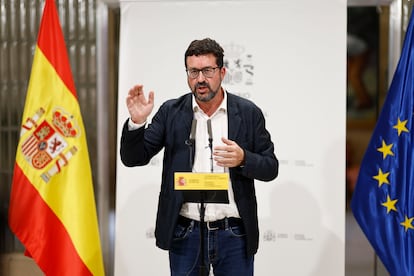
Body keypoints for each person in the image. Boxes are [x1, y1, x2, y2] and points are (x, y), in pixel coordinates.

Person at [120, 38, 278, 276]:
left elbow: (270, 167)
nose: (200, 79)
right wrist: (137, 122)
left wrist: (244, 158)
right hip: (186, 232)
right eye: (193, 71)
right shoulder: (171, 112)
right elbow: (133, 158)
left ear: (222, 72)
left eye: (208, 70)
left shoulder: (247, 113)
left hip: (234, 233)